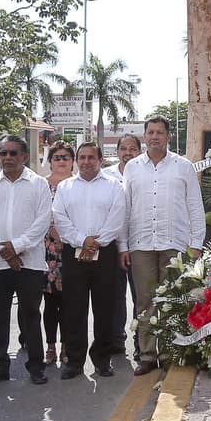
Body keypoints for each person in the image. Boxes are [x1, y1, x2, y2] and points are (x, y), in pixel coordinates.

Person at [123, 116, 205, 376]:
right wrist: (122, 246)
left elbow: (195, 206)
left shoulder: (183, 167)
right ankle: (147, 355)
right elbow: (126, 209)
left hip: (175, 244)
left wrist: (196, 244)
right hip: (141, 244)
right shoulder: (133, 168)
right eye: (150, 132)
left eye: (160, 132)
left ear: (169, 136)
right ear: (144, 136)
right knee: (145, 302)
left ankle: (170, 352)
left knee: (172, 300)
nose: (155, 136)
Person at [0, 135, 52, 386]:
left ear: (24, 156)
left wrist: (16, 247)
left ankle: (36, 367)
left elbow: (42, 223)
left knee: (30, 315)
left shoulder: (38, 184)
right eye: (3, 153)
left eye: (13, 153)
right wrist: (4, 252)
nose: (7, 157)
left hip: (29, 262)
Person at [53, 142, 128, 379]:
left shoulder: (114, 187)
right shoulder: (65, 187)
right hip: (73, 253)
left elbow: (118, 218)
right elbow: (59, 218)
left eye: (91, 157)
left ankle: (102, 359)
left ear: (100, 160)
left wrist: (96, 243)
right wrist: (81, 241)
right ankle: (74, 361)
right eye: (82, 157)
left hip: (104, 254)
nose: (86, 161)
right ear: (77, 160)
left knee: (104, 308)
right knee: (74, 309)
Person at [102, 133, 142, 357]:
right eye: (123, 149)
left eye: (133, 149)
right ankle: (116, 339)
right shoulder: (106, 175)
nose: (128, 153)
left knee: (140, 297)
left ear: (139, 151)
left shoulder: (145, 173)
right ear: (117, 152)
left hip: (138, 244)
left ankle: (140, 342)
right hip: (111, 245)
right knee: (114, 296)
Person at [42, 141, 75, 365]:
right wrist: (53, 232)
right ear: (50, 161)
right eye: (57, 157)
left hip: (73, 248)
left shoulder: (78, 185)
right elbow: (36, 215)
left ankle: (67, 346)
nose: (61, 161)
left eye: (65, 157)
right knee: (50, 302)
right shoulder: (40, 186)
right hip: (46, 251)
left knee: (70, 302)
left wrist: (67, 237)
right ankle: (51, 346)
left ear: (72, 161)